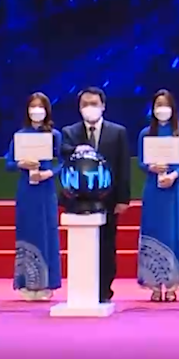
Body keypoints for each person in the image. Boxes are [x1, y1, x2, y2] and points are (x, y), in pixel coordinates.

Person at [60, 87, 132, 304]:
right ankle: (81, 289)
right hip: (77, 200)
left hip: (108, 199)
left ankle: (104, 290)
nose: (89, 108)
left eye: (94, 104)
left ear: (103, 106)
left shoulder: (117, 132)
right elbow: (64, 154)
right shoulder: (69, 132)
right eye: (85, 104)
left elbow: (123, 166)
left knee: (107, 245)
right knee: (80, 245)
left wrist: (123, 199)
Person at [4, 92, 63, 300]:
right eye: (33, 106)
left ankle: (47, 282)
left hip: (45, 190)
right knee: (27, 231)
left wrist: (49, 173)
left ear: (47, 110)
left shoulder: (55, 135)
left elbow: (62, 162)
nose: (36, 110)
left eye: (40, 107)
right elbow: (8, 163)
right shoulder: (20, 135)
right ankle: (26, 282)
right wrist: (20, 164)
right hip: (26, 190)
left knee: (47, 232)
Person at [136, 89, 179, 302]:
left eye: (165, 105)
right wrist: (150, 167)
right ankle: (154, 284)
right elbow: (141, 161)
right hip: (153, 189)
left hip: (175, 189)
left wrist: (174, 175)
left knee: (174, 232)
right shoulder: (146, 133)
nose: (162, 109)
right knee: (153, 231)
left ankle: (171, 285)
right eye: (158, 105)